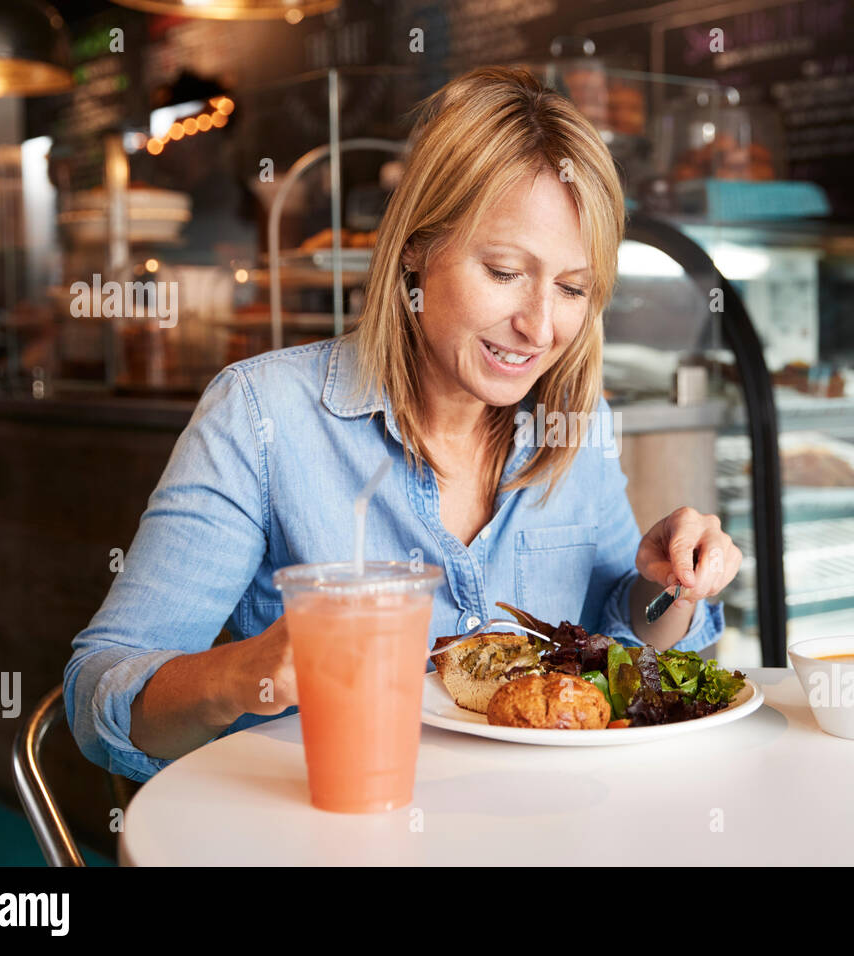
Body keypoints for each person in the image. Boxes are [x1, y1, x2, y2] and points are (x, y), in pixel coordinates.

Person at [65, 66, 743, 783]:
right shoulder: (264, 416)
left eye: (573, 288)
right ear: (417, 246)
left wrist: (670, 586)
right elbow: (99, 694)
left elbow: (620, 646)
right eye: (505, 271)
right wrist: (246, 672)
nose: (540, 326)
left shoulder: (575, 425)